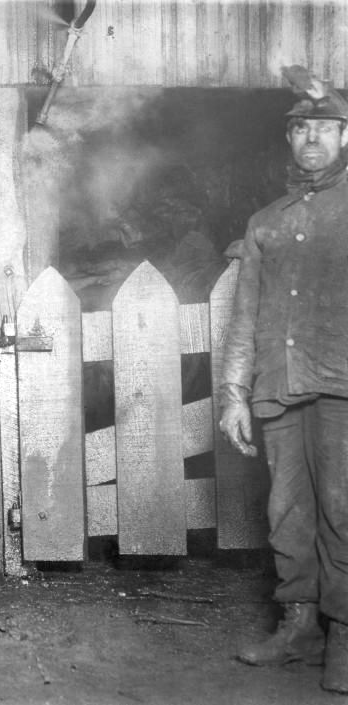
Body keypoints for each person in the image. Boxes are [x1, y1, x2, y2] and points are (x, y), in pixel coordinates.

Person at [219, 75, 348, 694]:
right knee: (286, 511)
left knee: (343, 511)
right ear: (290, 140)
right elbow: (244, 315)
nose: (312, 138)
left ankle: (344, 634)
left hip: (342, 384)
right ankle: (299, 626)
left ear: (346, 136)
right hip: (279, 384)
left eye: (325, 128)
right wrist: (234, 394)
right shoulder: (265, 222)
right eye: (302, 129)